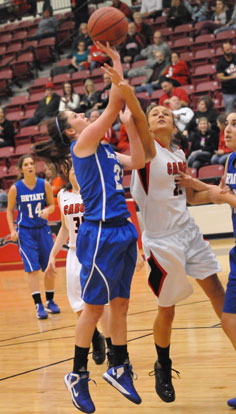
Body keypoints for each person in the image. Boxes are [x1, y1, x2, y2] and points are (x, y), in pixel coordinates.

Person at [33, 41, 146, 413]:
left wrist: (130, 127)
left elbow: (140, 159)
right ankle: (78, 374)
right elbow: (114, 105)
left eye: (82, 115)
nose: (82, 115)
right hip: (98, 232)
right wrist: (116, 65)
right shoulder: (83, 145)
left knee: (122, 303)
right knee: (94, 309)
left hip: (124, 229)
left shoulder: (107, 151)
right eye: (76, 116)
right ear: (70, 132)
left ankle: (119, 365)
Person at [128, 102, 225, 403]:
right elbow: (136, 116)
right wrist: (124, 88)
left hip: (188, 231)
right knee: (167, 310)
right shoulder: (145, 152)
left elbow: (188, 198)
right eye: (153, 112)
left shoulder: (179, 155)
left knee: (218, 293)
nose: (159, 114)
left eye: (165, 113)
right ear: (146, 123)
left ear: (174, 125)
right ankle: (163, 365)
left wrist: (215, 194)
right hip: (161, 241)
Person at [45, 162, 108, 366]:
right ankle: (95, 337)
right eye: (71, 169)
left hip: (96, 251)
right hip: (74, 252)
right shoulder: (63, 195)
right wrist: (52, 255)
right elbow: (64, 228)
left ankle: (113, 348)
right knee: (78, 305)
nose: (75, 171)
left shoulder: (95, 190)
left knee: (103, 303)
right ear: (66, 173)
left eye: (78, 167)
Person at [6, 154, 60, 320]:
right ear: (21, 169)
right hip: (26, 232)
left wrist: (48, 211)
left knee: (49, 267)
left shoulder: (44, 185)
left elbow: (52, 205)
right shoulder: (16, 188)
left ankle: (50, 301)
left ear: (35, 168)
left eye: (32, 164)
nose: (30, 166)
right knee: (32, 269)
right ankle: (38, 304)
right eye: (26, 164)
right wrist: (12, 230)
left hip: (43, 230)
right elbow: (9, 210)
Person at [208, 111, 236, 409]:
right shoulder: (230, 161)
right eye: (226, 124)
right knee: (229, 320)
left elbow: (229, 198)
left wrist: (224, 197)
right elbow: (222, 194)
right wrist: (192, 184)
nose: (227, 129)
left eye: (235, 124)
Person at [216, 41, 236, 114]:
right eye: (227, 50)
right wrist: (232, 77)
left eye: (230, 49)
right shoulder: (220, 63)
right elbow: (220, 77)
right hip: (228, 92)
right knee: (229, 113)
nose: (230, 51)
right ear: (223, 51)